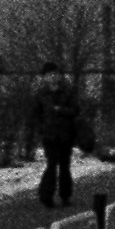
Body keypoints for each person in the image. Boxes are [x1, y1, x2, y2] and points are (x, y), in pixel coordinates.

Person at [31, 61, 80, 207]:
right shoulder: (41, 95)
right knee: (51, 164)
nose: (53, 77)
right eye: (49, 75)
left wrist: (60, 110)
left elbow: (76, 110)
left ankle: (65, 195)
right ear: (45, 78)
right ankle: (46, 195)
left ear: (59, 76)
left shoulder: (68, 93)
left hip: (66, 134)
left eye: (55, 74)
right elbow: (35, 114)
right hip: (49, 135)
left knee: (65, 165)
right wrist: (41, 129)